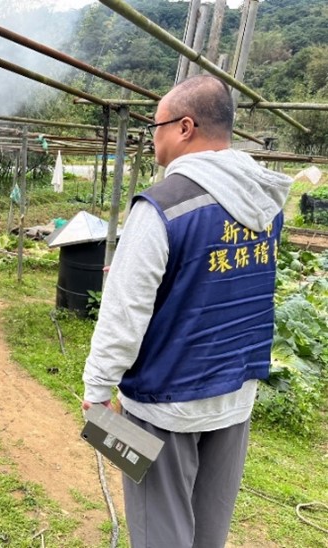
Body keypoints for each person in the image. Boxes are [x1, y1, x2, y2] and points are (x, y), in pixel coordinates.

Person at [82, 75, 293, 547]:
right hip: (234, 394)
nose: (151, 136)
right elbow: (219, 282)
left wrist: (97, 391)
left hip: (166, 398)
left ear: (184, 127)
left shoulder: (163, 205)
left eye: (155, 124)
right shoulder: (266, 204)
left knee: (161, 530)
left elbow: (124, 314)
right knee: (207, 528)